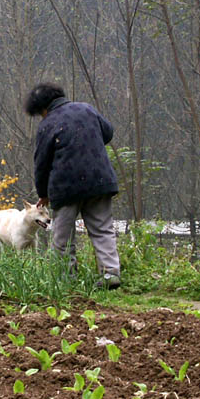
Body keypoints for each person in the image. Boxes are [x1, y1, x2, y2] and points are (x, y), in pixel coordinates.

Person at [24, 82, 121, 289]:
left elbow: (41, 164)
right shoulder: (87, 109)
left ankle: (66, 280)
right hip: (99, 180)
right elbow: (108, 133)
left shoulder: (48, 124)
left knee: (62, 236)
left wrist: (43, 194)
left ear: (42, 108)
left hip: (66, 186)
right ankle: (110, 274)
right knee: (102, 229)